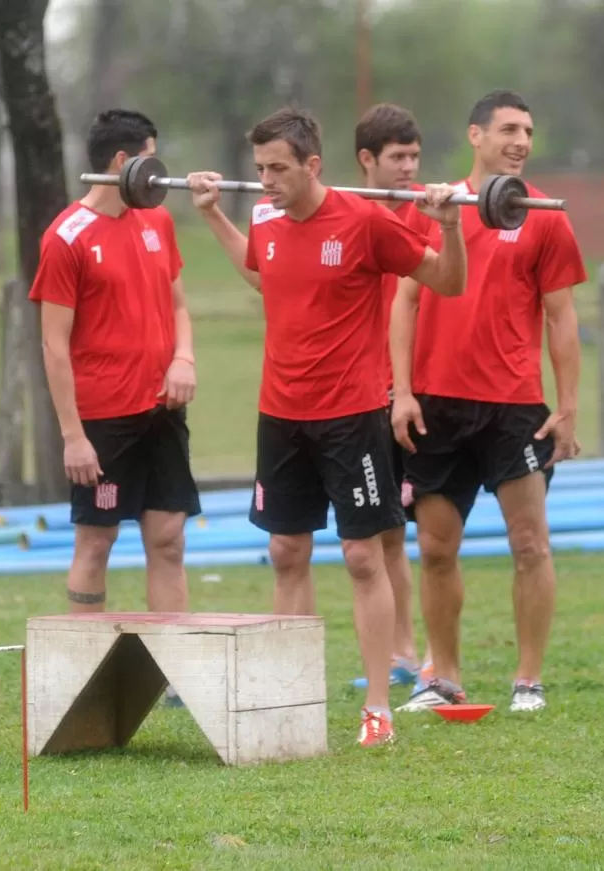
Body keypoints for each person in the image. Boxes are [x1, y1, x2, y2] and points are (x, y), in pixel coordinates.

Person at [186, 105, 467, 746]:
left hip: (352, 417)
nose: (265, 181)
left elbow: (449, 281)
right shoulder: (267, 219)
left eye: (277, 169)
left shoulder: (368, 222)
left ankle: (378, 708)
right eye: (258, 169)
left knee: (364, 556)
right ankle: (288, 696)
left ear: (313, 165)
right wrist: (210, 214)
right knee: (286, 551)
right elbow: (263, 274)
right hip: (280, 415)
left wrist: (448, 227)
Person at [390, 90, 587, 714]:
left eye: (528, 131)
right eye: (508, 129)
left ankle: (527, 681)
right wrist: (402, 393)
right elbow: (405, 303)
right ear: (476, 136)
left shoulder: (544, 217)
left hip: (514, 409)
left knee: (530, 545)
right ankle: (441, 676)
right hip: (438, 406)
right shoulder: (436, 207)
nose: (521, 141)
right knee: (438, 549)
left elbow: (562, 319)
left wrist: (569, 405)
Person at [28, 109, 202, 622]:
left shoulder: (159, 221)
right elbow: (54, 347)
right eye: (152, 159)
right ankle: (84, 667)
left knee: (169, 539)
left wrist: (184, 358)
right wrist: (73, 437)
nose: (161, 174)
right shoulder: (67, 237)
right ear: (124, 161)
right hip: (104, 419)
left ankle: (172, 670)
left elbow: (179, 307)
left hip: (162, 412)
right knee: (96, 543)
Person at [349, 103, 434, 693]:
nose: (407, 167)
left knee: (431, 526)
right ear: (367, 160)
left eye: (413, 156)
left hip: (418, 392)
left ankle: (434, 655)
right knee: (385, 535)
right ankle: (401, 652)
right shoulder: (347, 215)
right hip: (364, 394)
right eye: (396, 157)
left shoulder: (433, 211)